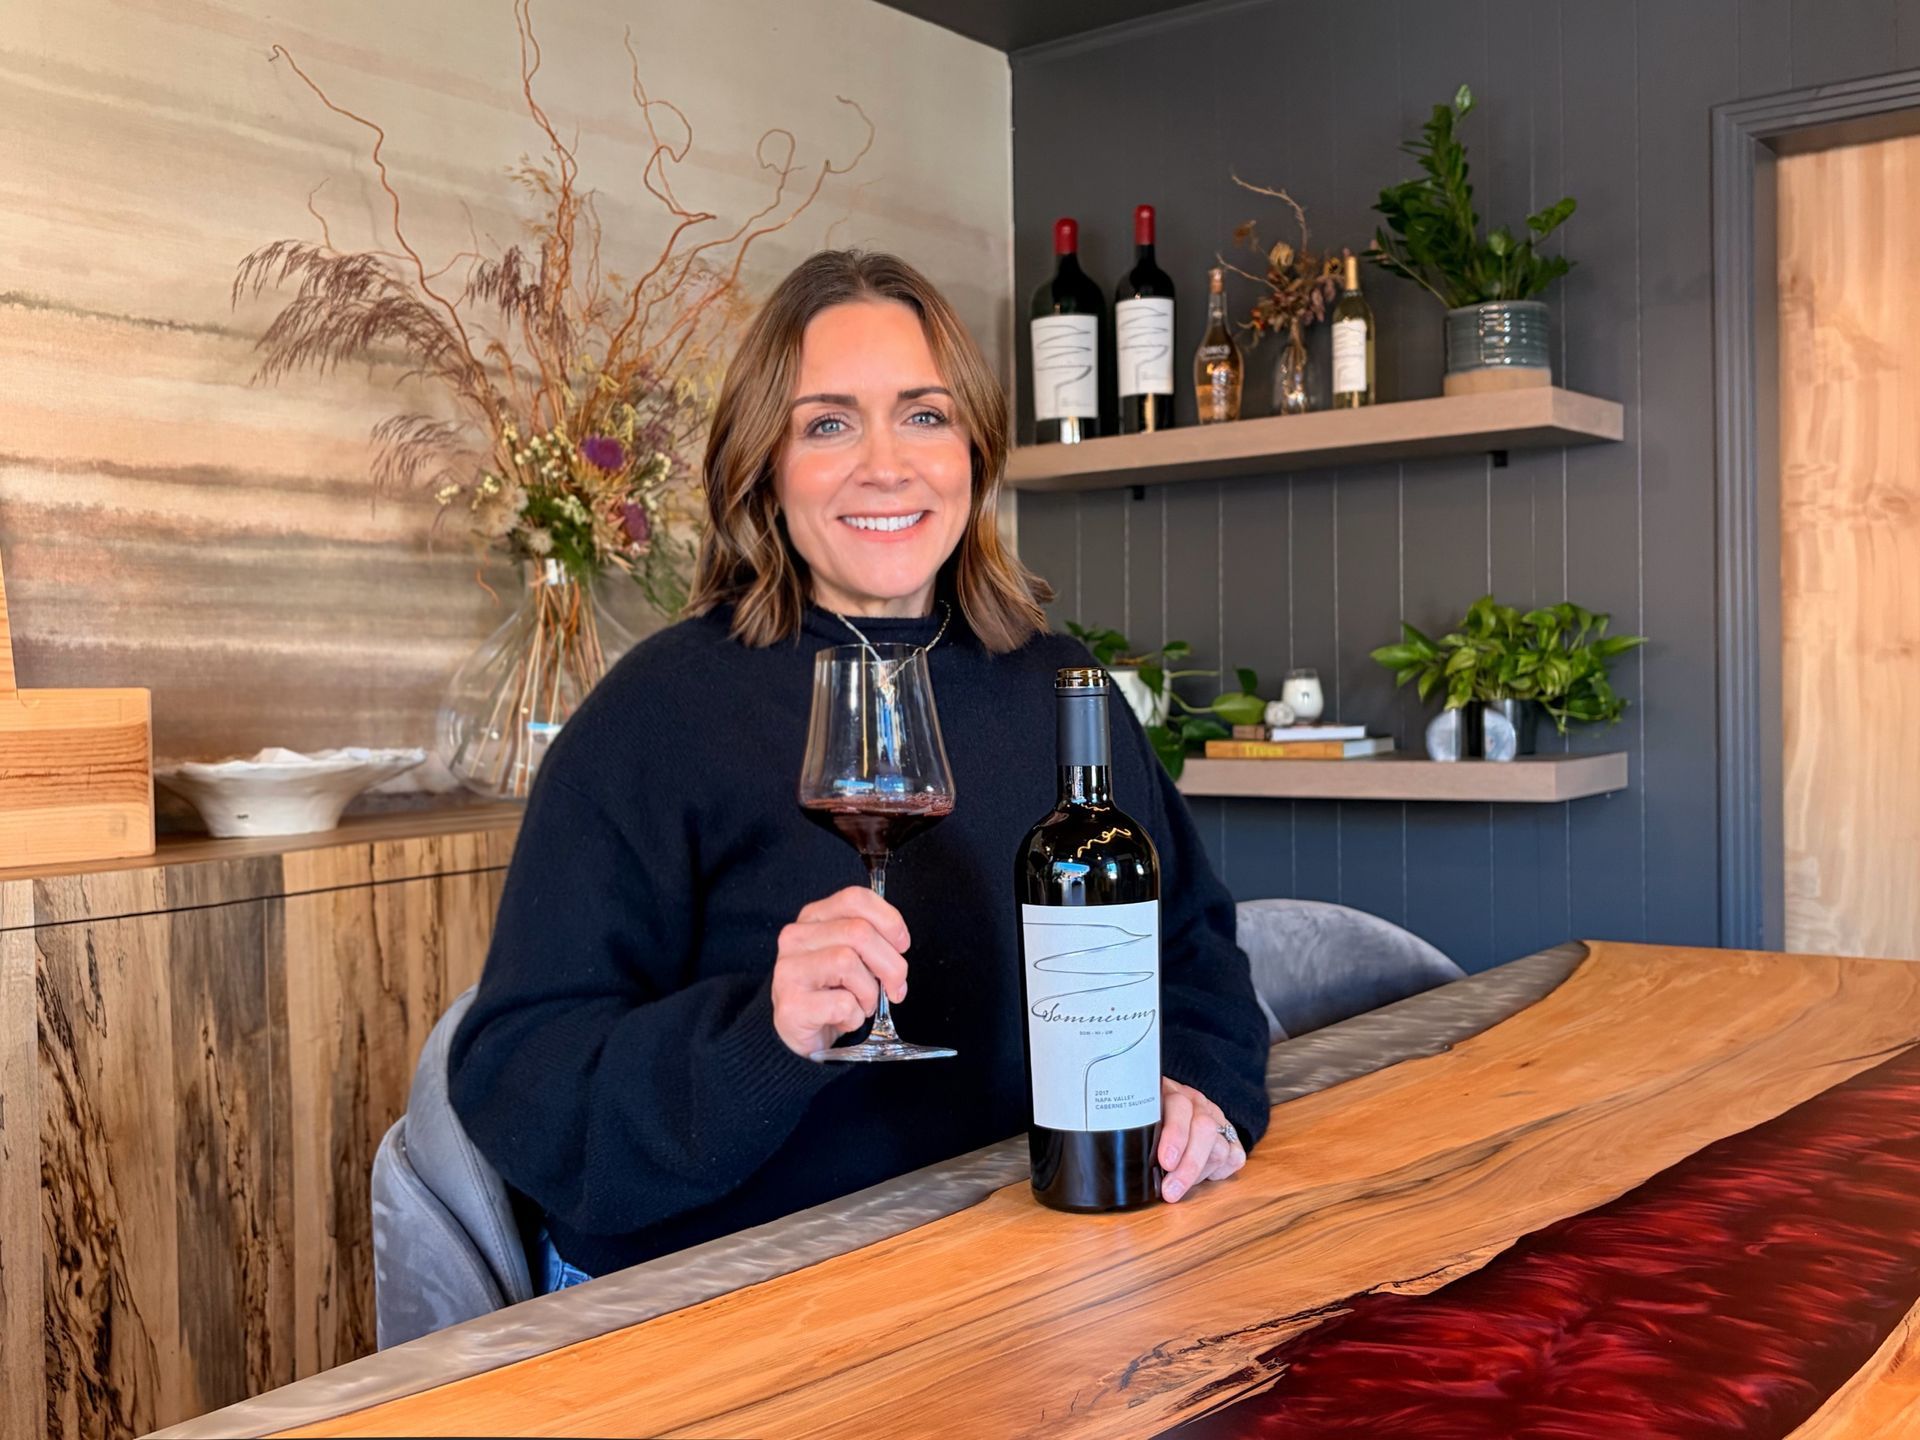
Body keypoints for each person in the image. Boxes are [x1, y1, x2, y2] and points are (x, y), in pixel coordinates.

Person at [449, 250, 1272, 1288]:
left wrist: (1196, 1092)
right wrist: (765, 1033)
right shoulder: (657, 715)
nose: (886, 463)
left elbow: (1192, 955)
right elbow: (520, 1077)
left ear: (973, 448)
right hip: (728, 1286)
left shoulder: (1062, 690)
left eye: (924, 415)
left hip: (1028, 1255)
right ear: (764, 467)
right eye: (829, 423)